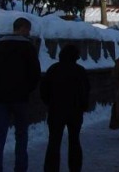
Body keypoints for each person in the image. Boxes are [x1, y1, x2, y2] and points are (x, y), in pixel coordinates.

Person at [0, 16, 41, 172]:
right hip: (20, 98)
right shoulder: (28, 48)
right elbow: (35, 74)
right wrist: (27, 89)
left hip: (0, 98)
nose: (28, 33)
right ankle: (20, 167)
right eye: (27, 29)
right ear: (22, 28)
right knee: (21, 134)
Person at [40, 43, 90, 172]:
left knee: (54, 142)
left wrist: (50, 103)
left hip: (56, 110)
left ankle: (51, 169)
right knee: (74, 140)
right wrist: (83, 106)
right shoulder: (80, 71)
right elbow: (86, 91)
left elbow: (44, 90)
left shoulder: (53, 69)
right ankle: (75, 168)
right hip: (75, 111)